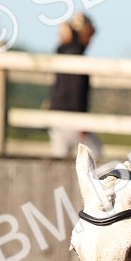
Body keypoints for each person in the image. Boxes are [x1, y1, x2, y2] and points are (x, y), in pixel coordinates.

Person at [49, 12, 102, 159]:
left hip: (56, 116)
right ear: (84, 33)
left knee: (59, 160)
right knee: (96, 154)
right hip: (72, 119)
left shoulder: (62, 52)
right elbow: (76, 91)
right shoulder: (78, 57)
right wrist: (82, 123)